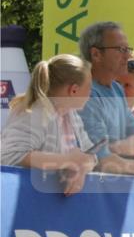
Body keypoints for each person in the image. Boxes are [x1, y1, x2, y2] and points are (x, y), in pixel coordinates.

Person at [1, 54, 98, 195]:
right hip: (23, 203)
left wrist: (81, 168)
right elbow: (8, 156)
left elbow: (91, 156)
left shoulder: (72, 115)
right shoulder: (34, 113)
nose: (91, 93)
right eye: (89, 87)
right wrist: (68, 161)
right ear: (74, 90)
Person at [77, 21, 134, 176]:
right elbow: (102, 161)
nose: (128, 55)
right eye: (121, 49)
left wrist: (112, 147)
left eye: (128, 49)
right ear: (96, 54)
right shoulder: (85, 93)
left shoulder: (117, 89)